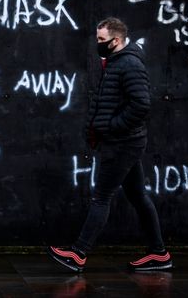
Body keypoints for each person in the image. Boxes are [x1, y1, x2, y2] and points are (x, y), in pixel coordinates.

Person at [47, 17, 172, 272]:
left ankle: (78, 253)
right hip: (125, 142)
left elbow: (141, 105)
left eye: (102, 40)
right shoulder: (116, 62)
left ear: (116, 40)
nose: (98, 44)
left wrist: (111, 126)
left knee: (101, 197)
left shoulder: (128, 64)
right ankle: (159, 254)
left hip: (122, 143)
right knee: (138, 196)